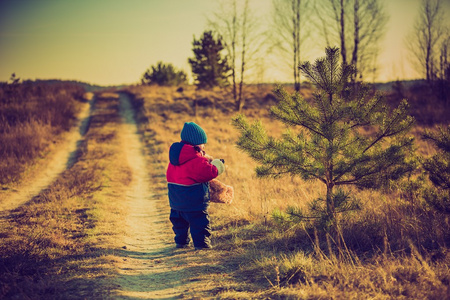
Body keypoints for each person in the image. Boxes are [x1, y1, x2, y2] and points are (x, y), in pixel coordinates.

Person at [166, 122, 225, 250]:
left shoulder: (174, 159)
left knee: (179, 225)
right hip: (194, 202)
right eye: (203, 143)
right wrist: (218, 165)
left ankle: (181, 242)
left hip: (176, 202)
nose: (204, 147)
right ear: (196, 144)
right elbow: (210, 172)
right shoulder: (197, 160)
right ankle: (202, 246)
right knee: (200, 224)